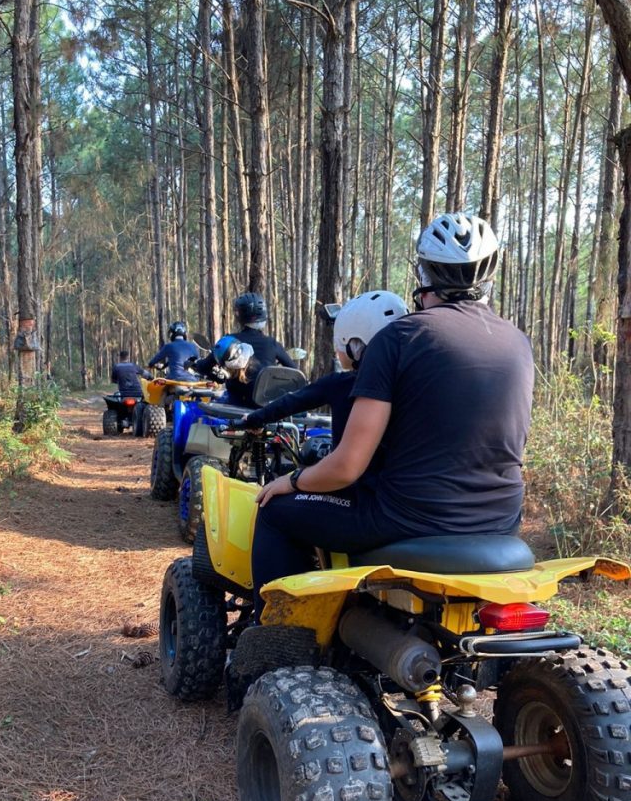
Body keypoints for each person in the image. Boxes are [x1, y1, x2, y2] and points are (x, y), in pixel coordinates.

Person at [250, 211, 535, 618]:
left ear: (423, 272)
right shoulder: (518, 342)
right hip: (503, 521)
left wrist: (292, 480)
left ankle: (281, 641)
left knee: (275, 511)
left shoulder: (399, 337)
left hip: (408, 518)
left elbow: (347, 467)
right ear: (488, 276)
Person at [239, 290, 409, 448]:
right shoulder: (412, 383)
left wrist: (255, 419)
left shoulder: (339, 385)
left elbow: (293, 401)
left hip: (346, 477)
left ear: (353, 342)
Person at [190, 292, 294, 406]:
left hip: (235, 406)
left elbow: (204, 367)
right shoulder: (273, 344)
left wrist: (194, 363)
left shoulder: (229, 341)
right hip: (265, 409)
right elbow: (295, 372)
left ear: (239, 315)